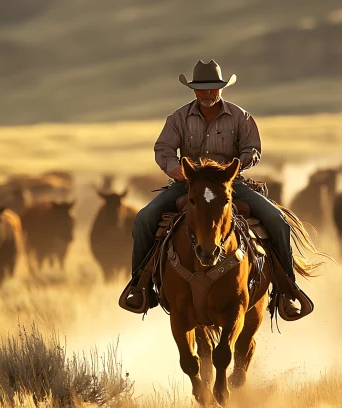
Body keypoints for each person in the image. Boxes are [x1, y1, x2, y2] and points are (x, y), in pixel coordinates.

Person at [123, 60, 314, 320]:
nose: (208, 93)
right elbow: (163, 149)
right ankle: (140, 286)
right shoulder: (178, 118)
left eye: (213, 88)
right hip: (187, 185)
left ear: (221, 89)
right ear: (193, 90)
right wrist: (173, 168)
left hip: (229, 184)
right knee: (145, 218)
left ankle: (287, 290)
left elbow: (252, 149)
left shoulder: (240, 116)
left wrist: (236, 166)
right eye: (202, 89)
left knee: (278, 221)